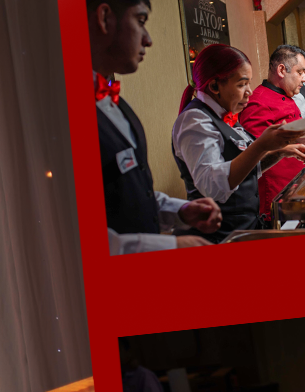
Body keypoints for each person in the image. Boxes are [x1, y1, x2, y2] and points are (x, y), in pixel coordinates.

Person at [88, 0, 222, 253]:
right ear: (104, 18)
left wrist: (178, 210)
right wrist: (170, 245)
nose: (148, 40)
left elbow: (126, 196)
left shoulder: (117, 105)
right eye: (140, 22)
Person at [171, 44, 305, 241]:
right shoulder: (195, 121)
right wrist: (261, 145)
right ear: (214, 86)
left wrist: (280, 151)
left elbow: (248, 170)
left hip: (245, 226)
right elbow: (212, 187)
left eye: (249, 83)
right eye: (242, 84)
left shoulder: (226, 115)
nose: (249, 91)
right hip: (219, 234)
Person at [237, 46, 305, 224]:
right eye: (300, 72)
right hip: (277, 199)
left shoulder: (287, 96)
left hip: (296, 188)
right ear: (282, 70)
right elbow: (254, 156)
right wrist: (294, 140)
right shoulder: (258, 102)